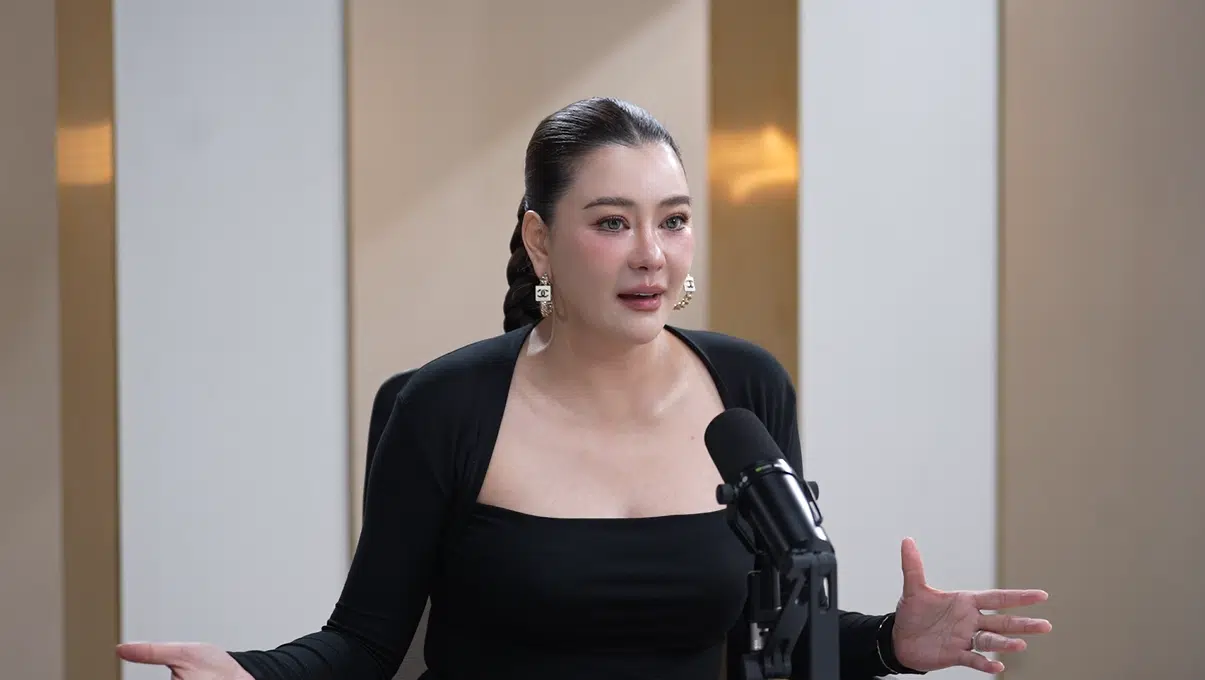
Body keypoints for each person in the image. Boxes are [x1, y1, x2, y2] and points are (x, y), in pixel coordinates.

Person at [117, 97, 1051, 680]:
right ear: (540, 240)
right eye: (611, 222)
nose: (651, 255)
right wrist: (249, 673)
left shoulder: (746, 388)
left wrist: (890, 642)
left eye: (672, 221)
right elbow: (363, 645)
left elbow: (771, 634)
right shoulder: (444, 407)